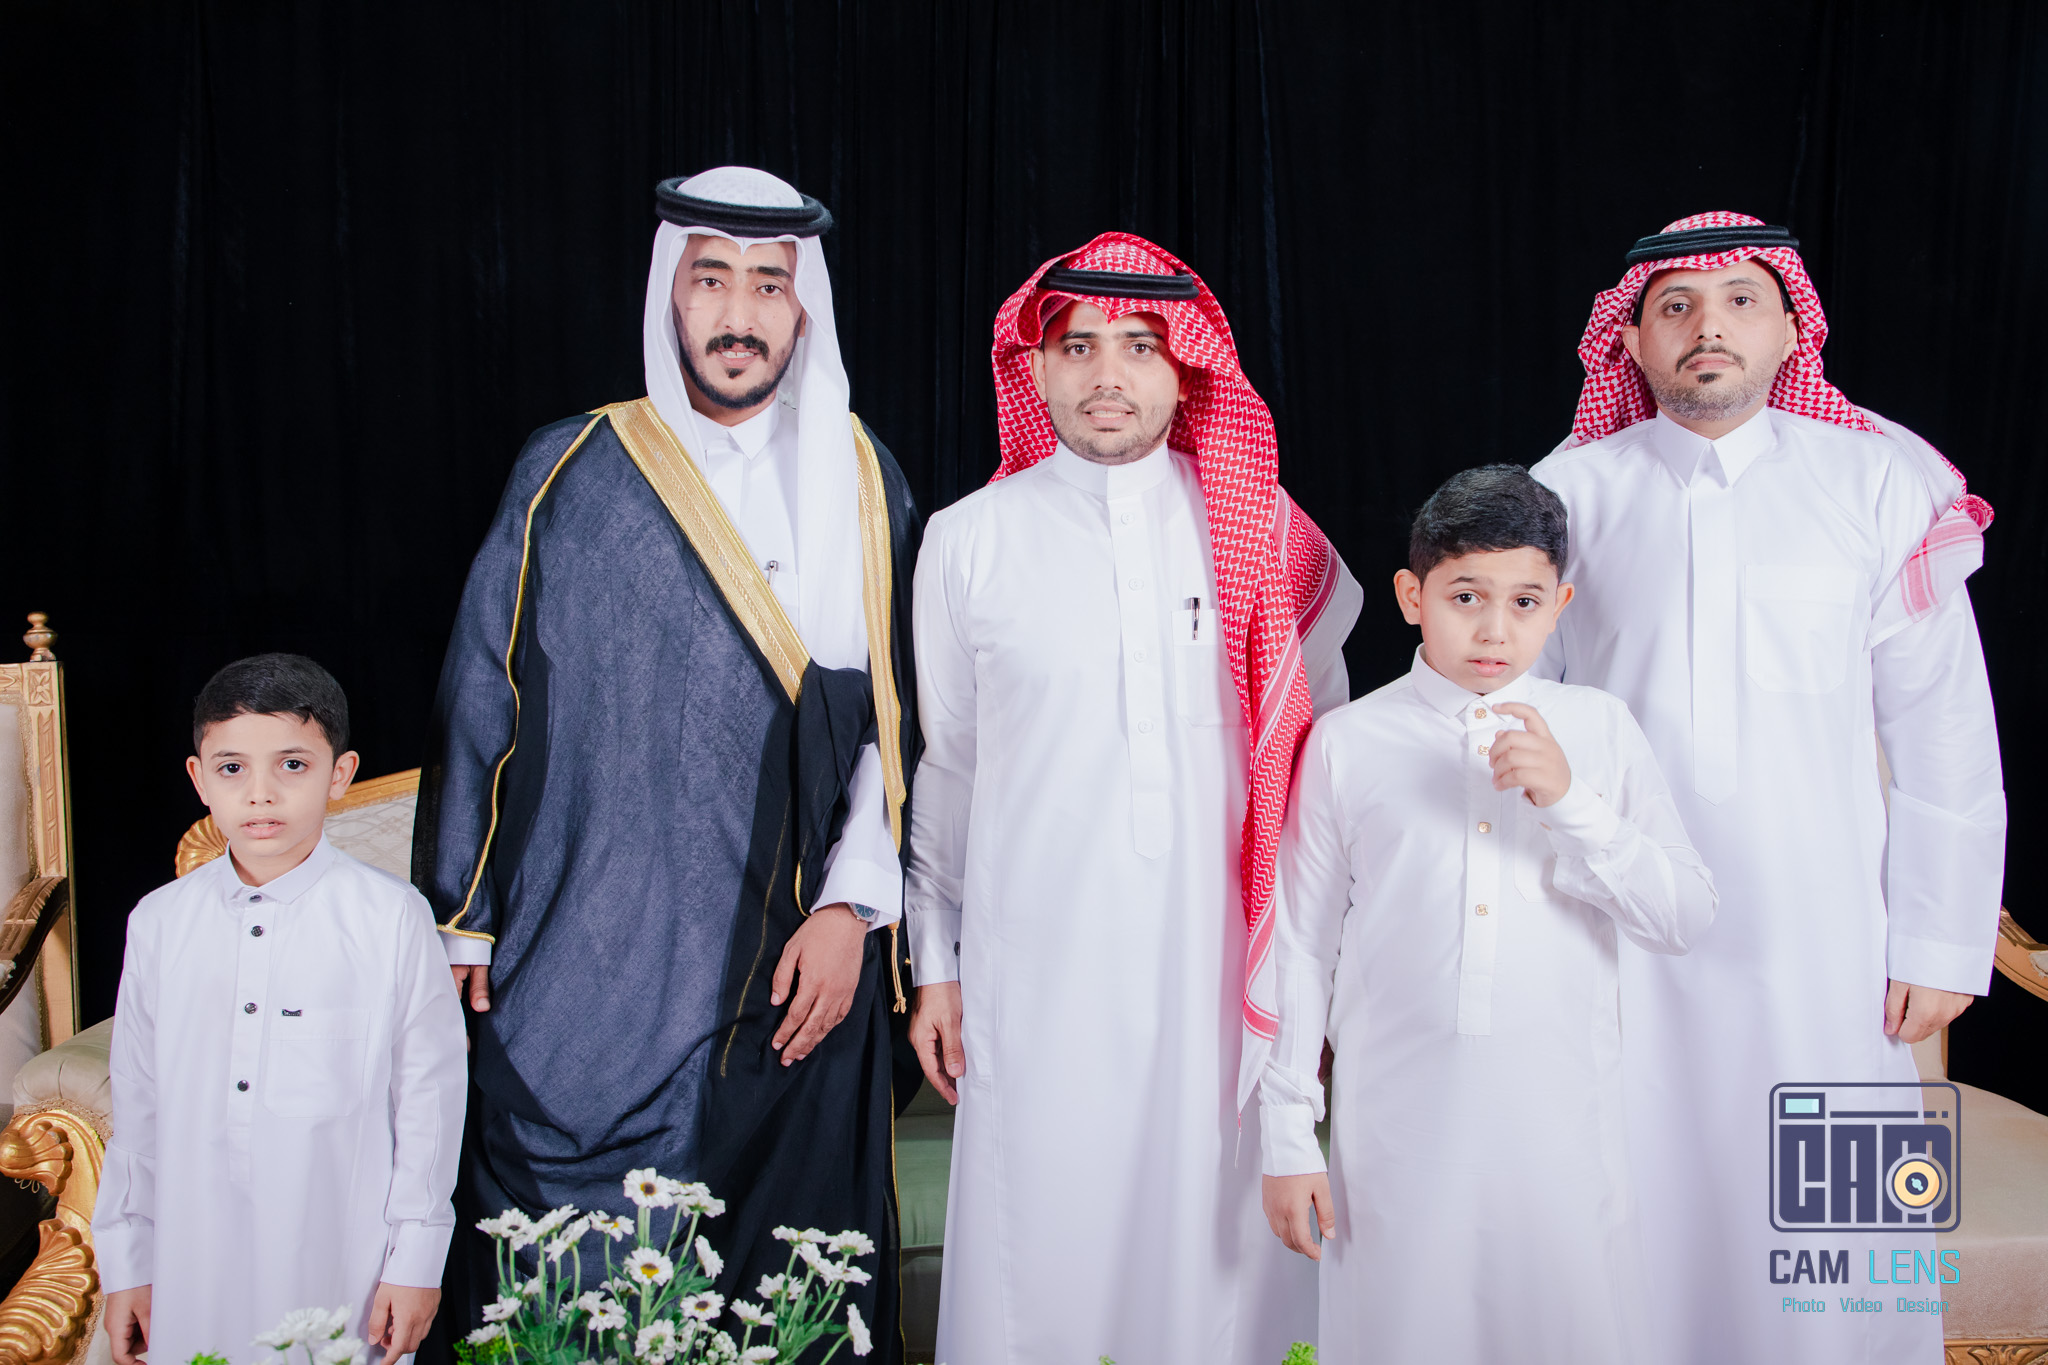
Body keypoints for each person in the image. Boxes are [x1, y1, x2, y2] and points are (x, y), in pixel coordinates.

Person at [415, 167, 919, 1351]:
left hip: (793, 961)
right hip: (588, 960)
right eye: (710, 280)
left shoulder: (860, 479)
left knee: (785, 1283)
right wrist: (462, 919)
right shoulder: (571, 469)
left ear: (803, 307)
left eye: (768, 285)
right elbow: (482, 692)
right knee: (569, 1275)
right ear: (668, 295)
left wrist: (852, 908)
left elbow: (895, 728)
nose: (738, 314)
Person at [1531, 211, 2006, 1364]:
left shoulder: (1876, 481)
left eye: (1740, 300)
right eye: (1675, 307)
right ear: (1629, 341)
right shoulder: (1564, 494)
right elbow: (1514, 717)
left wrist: (1940, 942)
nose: (1708, 327)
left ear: (1792, 329)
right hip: (1620, 937)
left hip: (1827, 942)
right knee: (1634, 1230)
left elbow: (1939, 725)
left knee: (1839, 1257)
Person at [903, 233, 1361, 1364]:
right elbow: (949, 765)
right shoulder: (966, 540)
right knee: (1040, 1224)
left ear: (1186, 368)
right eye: (1078, 347)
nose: (1107, 374)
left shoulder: (1265, 530)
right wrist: (934, 962)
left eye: (1140, 347)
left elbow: (1325, 769)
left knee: (1217, 1238)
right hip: (1035, 958)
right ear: (1036, 368)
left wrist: (1325, 968)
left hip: (1220, 958)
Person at [1257, 465, 1715, 1362]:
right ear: (1412, 596)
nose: (1495, 629)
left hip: (1563, 1131)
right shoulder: (1349, 741)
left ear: (1561, 604)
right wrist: (1287, 1135)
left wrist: (1571, 801)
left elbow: (1683, 916)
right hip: (1395, 1131)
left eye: (1525, 601)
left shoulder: (1599, 729)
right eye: (1466, 596)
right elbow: (1302, 945)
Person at [97, 654, 466, 1365]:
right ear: (199, 779)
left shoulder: (390, 917)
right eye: (232, 768)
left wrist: (417, 1260)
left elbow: (429, 1099)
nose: (260, 793)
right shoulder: (160, 921)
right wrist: (128, 1263)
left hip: (344, 1257)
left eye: (292, 765)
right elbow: (138, 1108)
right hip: (191, 1256)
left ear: (340, 773)